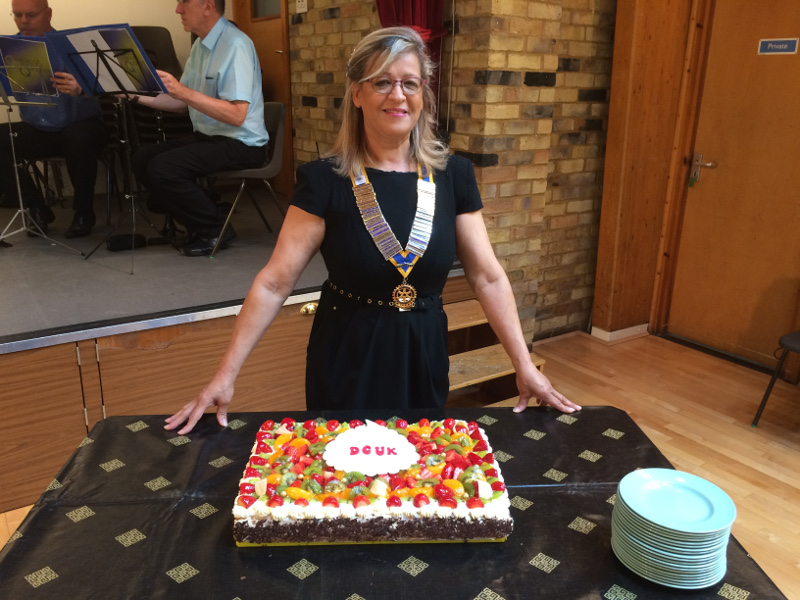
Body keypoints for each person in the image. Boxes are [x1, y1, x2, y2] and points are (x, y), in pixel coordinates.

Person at [165, 26, 581, 434]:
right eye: (382, 81)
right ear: (357, 94)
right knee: (348, 484)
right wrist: (224, 374)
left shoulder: (454, 175)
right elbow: (275, 282)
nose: (398, 95)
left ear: (423, 96)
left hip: (424, 351)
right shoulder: (324, 179)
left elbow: (488, 276)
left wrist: (523, 365)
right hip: (348, 353)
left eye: (410, 83)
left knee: (415, 479)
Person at [131, 0, 268, 257]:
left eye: (184, 2)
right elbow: (179, 102)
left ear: (207, 6)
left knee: (164, 168)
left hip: (242, 142)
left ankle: (215, 227)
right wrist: (131, 95)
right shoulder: (200, 47)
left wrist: (182, 91)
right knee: (142, 159)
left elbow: (237, 115)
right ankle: (205, 214)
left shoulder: (235, 45)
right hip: (210, 137)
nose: (177, 10)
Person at [0, 0, 108, 237]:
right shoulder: (8, 48)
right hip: (39, 128)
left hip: (83, 124)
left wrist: (83, 87)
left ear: (48, 13)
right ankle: (36, 208)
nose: (24, 21)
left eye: (31, 15)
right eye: (17, 15)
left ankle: (83, 213)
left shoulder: (73, 45)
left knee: (77, 137)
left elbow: (109, 87)